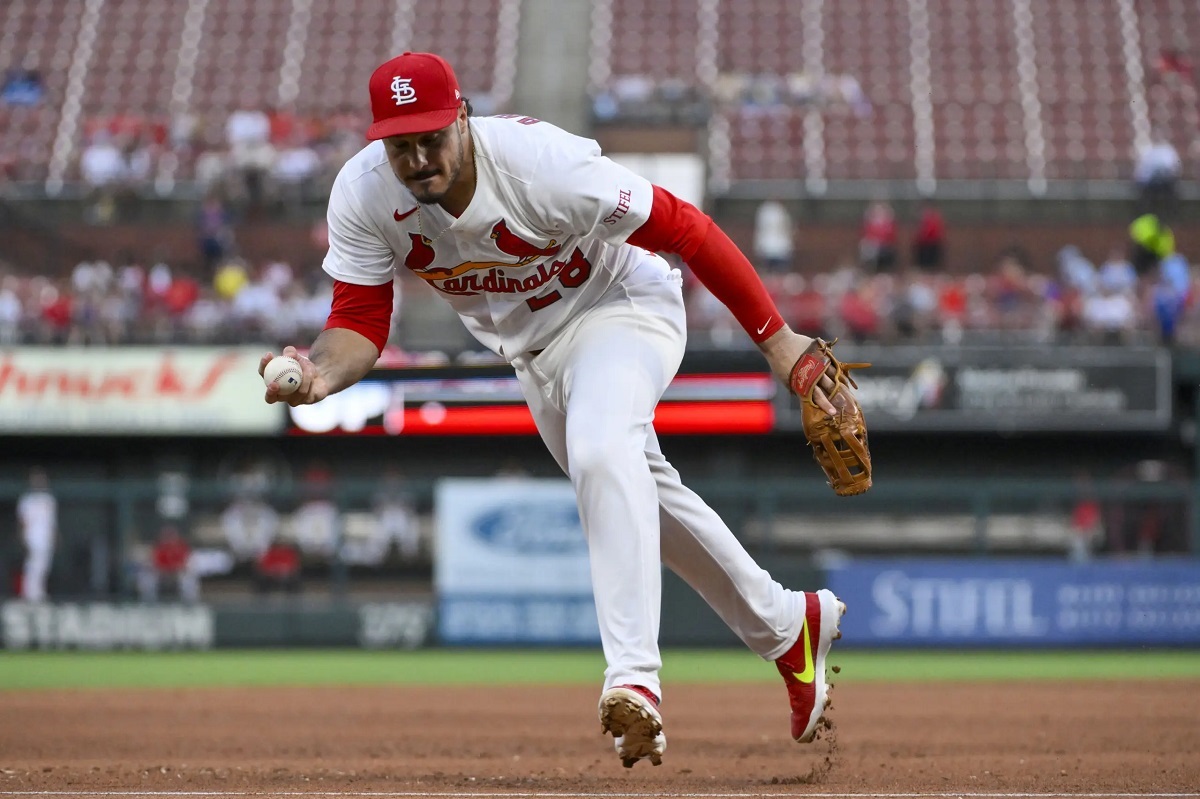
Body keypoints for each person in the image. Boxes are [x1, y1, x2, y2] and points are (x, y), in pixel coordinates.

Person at [259, 51, 848, 768]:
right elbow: (358, 320)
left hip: (620, 307)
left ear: (462, 118)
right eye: (399, 144)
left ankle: (634, 678)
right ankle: (788, 626)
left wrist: (777, 340)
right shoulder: (363, 194)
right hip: (534, 355)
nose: (416, 159)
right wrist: (318, 373)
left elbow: (684, 227)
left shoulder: (540, 165)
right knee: (641, 499)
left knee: (603, 452)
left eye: (431, 137)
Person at [16, 468, 56, 601]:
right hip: (32, 536)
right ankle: (29, 593)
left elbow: (51, 521)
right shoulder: (27, 500)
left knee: (44, 565)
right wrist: (23, 536)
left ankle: (39, 592)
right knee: (33, 564)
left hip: (45, 536)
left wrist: (53, 535)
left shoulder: (49, 499)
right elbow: (23, 520)